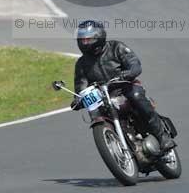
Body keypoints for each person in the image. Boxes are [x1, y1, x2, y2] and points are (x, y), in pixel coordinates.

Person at [72, 20, 174, 153]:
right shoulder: (81, 63)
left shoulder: (116, 47)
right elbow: (81, 85)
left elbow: (134, 63)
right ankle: (116, 145)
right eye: (82, 39)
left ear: (98, 37)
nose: (84, 42)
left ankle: (162, 137)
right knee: (95, 112)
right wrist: (78, 98)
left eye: (88, 39)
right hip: (103, 96)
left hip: (125, 87)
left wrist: (128, 73)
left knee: (136, 97)